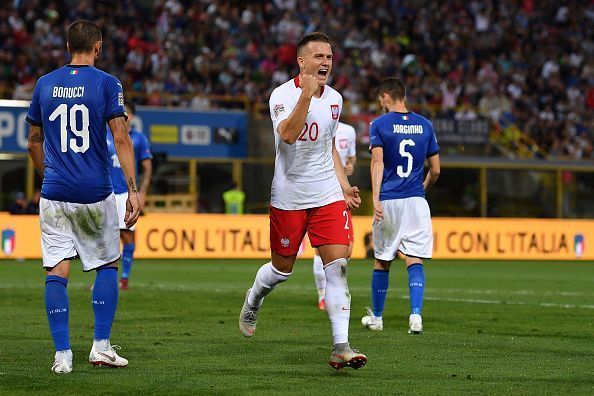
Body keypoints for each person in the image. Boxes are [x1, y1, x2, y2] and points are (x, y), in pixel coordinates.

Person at [238, 32, 367, 370]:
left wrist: (343, 185)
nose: (326, 62)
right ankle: (254, 298)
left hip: (325, 194)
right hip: (289, 196)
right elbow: (289, 135)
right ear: (301, 61)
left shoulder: (336, 99)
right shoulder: (281, 95)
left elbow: (328, 147)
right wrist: (306, 98)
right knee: (282, 270)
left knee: (337, 267)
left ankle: (341, 346)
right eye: (319, 56)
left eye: (329, 57)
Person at [26, 19, 140, 374]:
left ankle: (63, 355)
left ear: (66, 47)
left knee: (56, 270)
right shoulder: (107, 83)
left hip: (55, 194)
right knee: (107, 263)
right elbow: (121, 137)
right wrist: (133, 190)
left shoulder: (44, 84)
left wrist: (51, 177)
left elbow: (33, 140)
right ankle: (101, 346)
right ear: (98, 48)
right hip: (95, 193)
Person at [361, 77, 440, 334]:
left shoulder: (380, 125)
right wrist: (421, 191)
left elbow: (377, 163)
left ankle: (378, 318)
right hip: (417, 200)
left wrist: (375, 199)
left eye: (380, 99)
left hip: (390, 198)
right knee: (414, 257)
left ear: (385, 96)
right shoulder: (425, 125)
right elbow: (436, 170)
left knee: (382, 260)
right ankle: (415, 316)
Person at [106, 102, 152, 290]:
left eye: (127, 114)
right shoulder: (105, 135)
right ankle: (104, 281)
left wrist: (142, 192)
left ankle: (124, 278)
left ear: (131, 116)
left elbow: (147, 169)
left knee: (127, 236)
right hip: (106, 193)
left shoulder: (139, 139)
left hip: (126, 193)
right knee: (105, 238)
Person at [311, 121, 357, 310]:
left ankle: (332, 291)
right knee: (320, 247)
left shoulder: (349, 130)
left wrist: (350, 167)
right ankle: (323, 295)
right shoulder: (317, 124)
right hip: (320, 190)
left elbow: (352, 158)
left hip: (341, 192)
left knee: (347, 249)